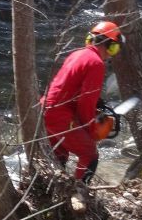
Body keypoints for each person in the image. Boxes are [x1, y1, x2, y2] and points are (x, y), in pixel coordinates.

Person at [42, 20, 124, 183]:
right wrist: (91, 129)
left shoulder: (77, 54)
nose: (111, 54)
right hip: (60, 115)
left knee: (59, 155)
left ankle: (50, 194)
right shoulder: (96, 63)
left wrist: (97, 103)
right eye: (114, 48)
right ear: (110, 45)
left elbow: (69, 86)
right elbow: (86, 104)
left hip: (46, 110)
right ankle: (78, 193)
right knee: (89, 154)